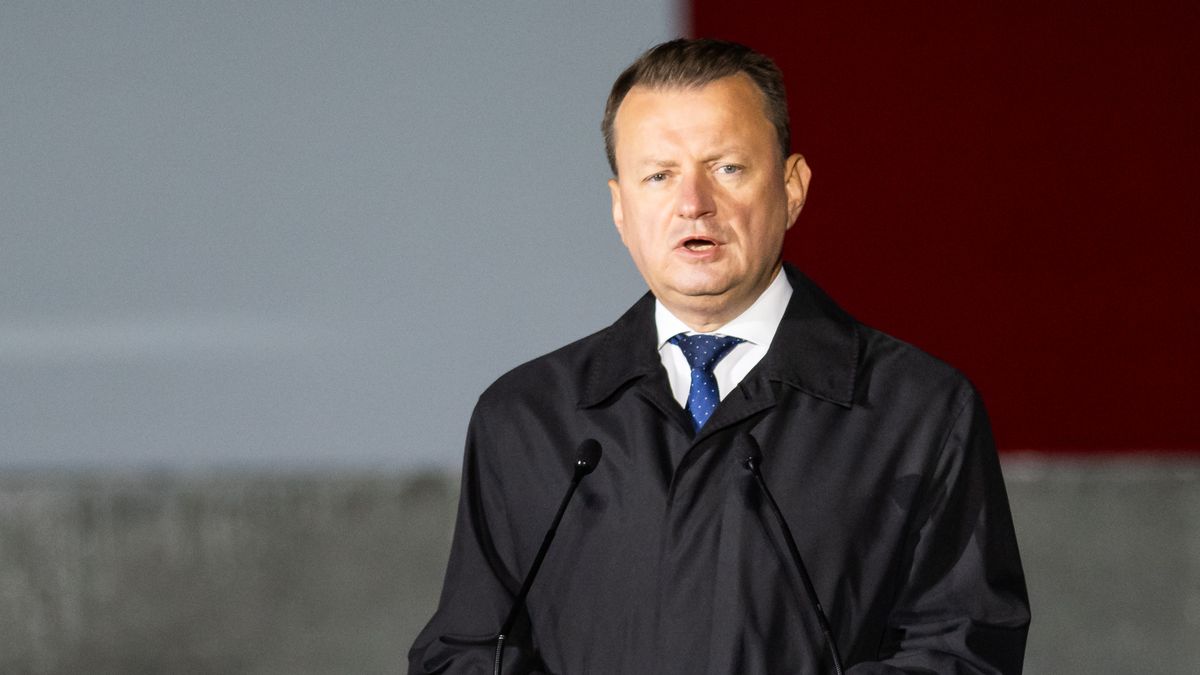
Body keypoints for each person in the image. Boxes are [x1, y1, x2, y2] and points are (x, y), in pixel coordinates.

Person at [409, 38, 1029, 674]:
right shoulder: (528, 417)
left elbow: (964, 652)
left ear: (792, 187)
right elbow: (468, 652)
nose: (693, 202)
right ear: (620, 208)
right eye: (659, 175)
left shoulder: (918, 410)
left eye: (727, 167)